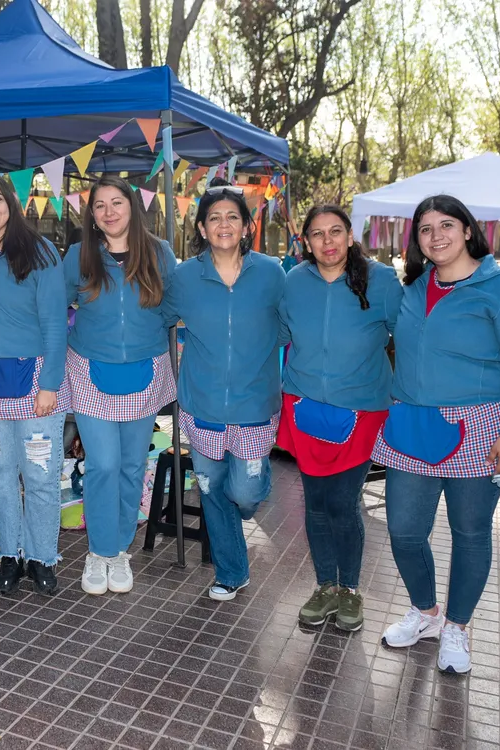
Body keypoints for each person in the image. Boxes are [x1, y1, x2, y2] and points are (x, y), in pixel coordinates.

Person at [374, 195, 500, 673]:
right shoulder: (409, 290)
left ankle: (457, 628)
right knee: (404, 531)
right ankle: (426, 614)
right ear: (417, 240)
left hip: (481, 430)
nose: (436, 236)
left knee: (470, 533)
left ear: (468, 229)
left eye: (446, 224)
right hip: (411, 426)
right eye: (425, 229)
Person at [277, 205, 403, 631]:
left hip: (362, 410)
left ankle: (350, 590)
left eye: (336, 232)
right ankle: (325, 585)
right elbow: (276, 333)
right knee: (315, 503)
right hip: (306, 408)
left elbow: (410, 336)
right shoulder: (294, 282)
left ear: (350, 236)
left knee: (343, 503)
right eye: (317, 234)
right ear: (306, 241)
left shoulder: (382, 281)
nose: (327, 241)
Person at [161, 185, 285, 601]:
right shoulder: (184, 276)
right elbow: (160, 318)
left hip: (254, 404)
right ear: (201, 226)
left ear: (247, 226)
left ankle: (245, 504)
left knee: (244, 492)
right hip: (202, 404)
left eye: (233, 216)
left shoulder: (271, 272)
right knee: (212, 489)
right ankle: (231, 572)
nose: (224, 224)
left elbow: (289, 324)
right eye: (214, 217)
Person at [64, 175, 177, 596]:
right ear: (91, 214)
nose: (109, 212)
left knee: (132, 466)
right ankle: (99, 551)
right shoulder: (78, 255)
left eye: (117, 203)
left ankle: (119, 551)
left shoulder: (160, 254)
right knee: (104, 464)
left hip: (145, 372)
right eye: (99, 205)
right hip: (90, 370)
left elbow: (171, 310)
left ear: (133, 207)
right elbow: (56, 310)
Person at [0, 171, 70, 596]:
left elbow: (56, 324)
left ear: (11, 202)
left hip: (36, 382)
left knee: (41, 473)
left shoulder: (40, 250)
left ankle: (42, 556)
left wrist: (50, 384)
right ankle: (10, 553)